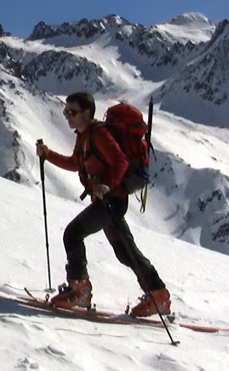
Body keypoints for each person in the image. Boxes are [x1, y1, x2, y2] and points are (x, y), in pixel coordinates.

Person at [35, 91, 170, 317]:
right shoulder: (84, 135)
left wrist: (107, 185)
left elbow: (121, 162)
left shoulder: (99, 135)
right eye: (66, 111)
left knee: (73, 233)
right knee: (125, 251)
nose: (67, 116)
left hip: (111, 201)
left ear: (87, 113)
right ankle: (158, 294)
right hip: (108, 200)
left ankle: (80, 290)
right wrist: (48, 155)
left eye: (72, 112)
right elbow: (76, 163)